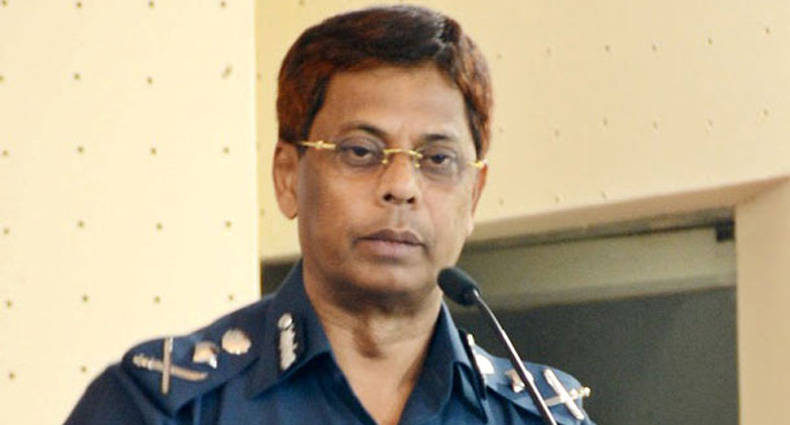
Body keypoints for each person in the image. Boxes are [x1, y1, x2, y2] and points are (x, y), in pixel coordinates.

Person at [66, 5, 594, 425]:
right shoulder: (165, 407)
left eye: (437, 159)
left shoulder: (540, 415)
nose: (401, 187)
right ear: (287, 176)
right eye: (361, 151)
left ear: (473, 195)